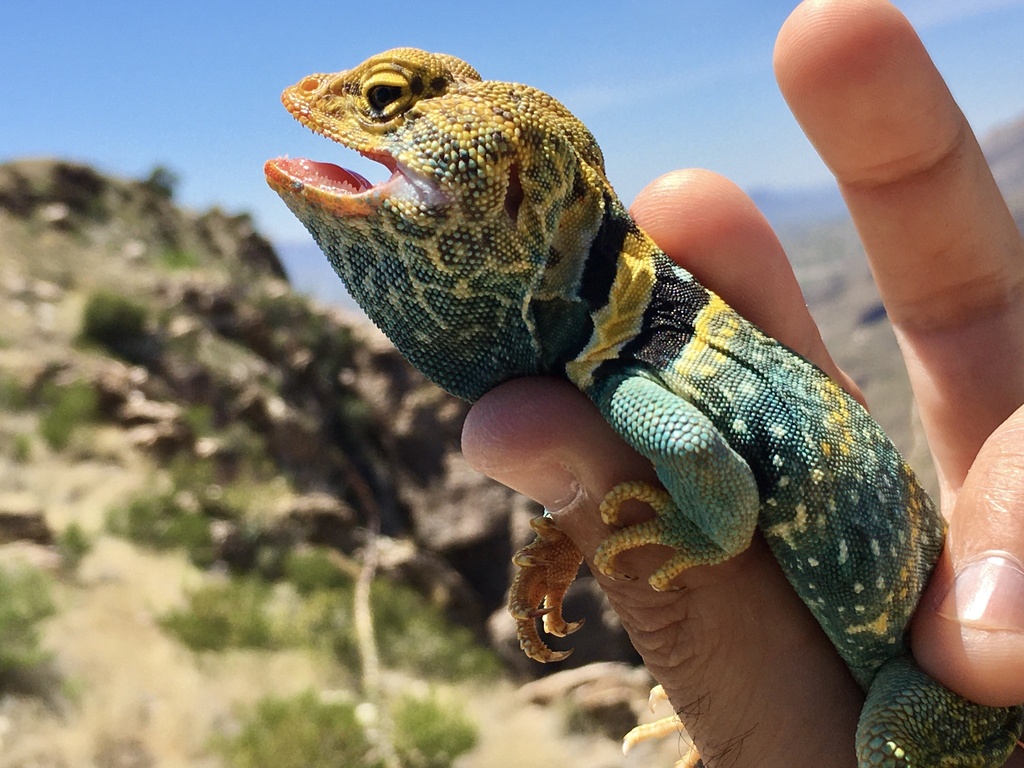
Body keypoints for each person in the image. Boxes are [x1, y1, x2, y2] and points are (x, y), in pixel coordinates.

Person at [461, 0, 1024, 765]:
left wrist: (697, 530)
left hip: (938, 693)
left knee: (891, 744)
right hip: (897, 633)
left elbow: (711, 494)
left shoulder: (632, 356)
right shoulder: (624, 352)